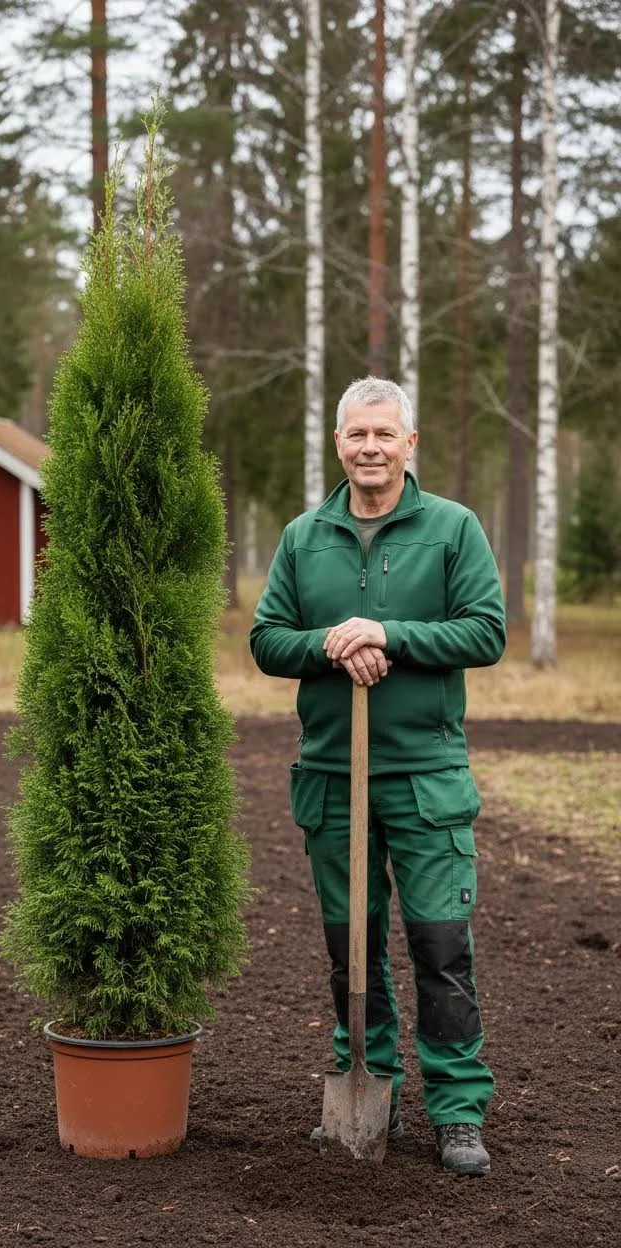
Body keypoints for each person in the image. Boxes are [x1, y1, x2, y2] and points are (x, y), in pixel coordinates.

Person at [249, 376, 506, 1176]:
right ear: (338, 444)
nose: (370, 448)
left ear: (409, 445)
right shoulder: (303, 538)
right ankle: (373, 1086)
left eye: (384, 436)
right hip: (332, 776)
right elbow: (266, 640)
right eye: (356, 435)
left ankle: (458, 1112)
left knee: (439, 946)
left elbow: (486, 630)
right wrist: (333, 640)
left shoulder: (452, 529)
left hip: (425, 776)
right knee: (349, 949)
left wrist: (387, 633)